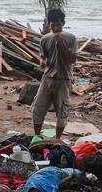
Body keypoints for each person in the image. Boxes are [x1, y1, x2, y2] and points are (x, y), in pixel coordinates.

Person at [32, 8, 78, 140]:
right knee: (38, 108)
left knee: (62, 111)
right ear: (48, 24)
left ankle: (57, 139)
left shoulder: (71, 38)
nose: (55, 28)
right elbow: (42, 56)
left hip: (63, 79)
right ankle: (37, 136)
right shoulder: (45, 39)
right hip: (47, 78)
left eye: (58, 24)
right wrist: (42, 62)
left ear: (63, 23)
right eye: (52, 25)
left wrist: (62, 44)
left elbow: (73, 59)